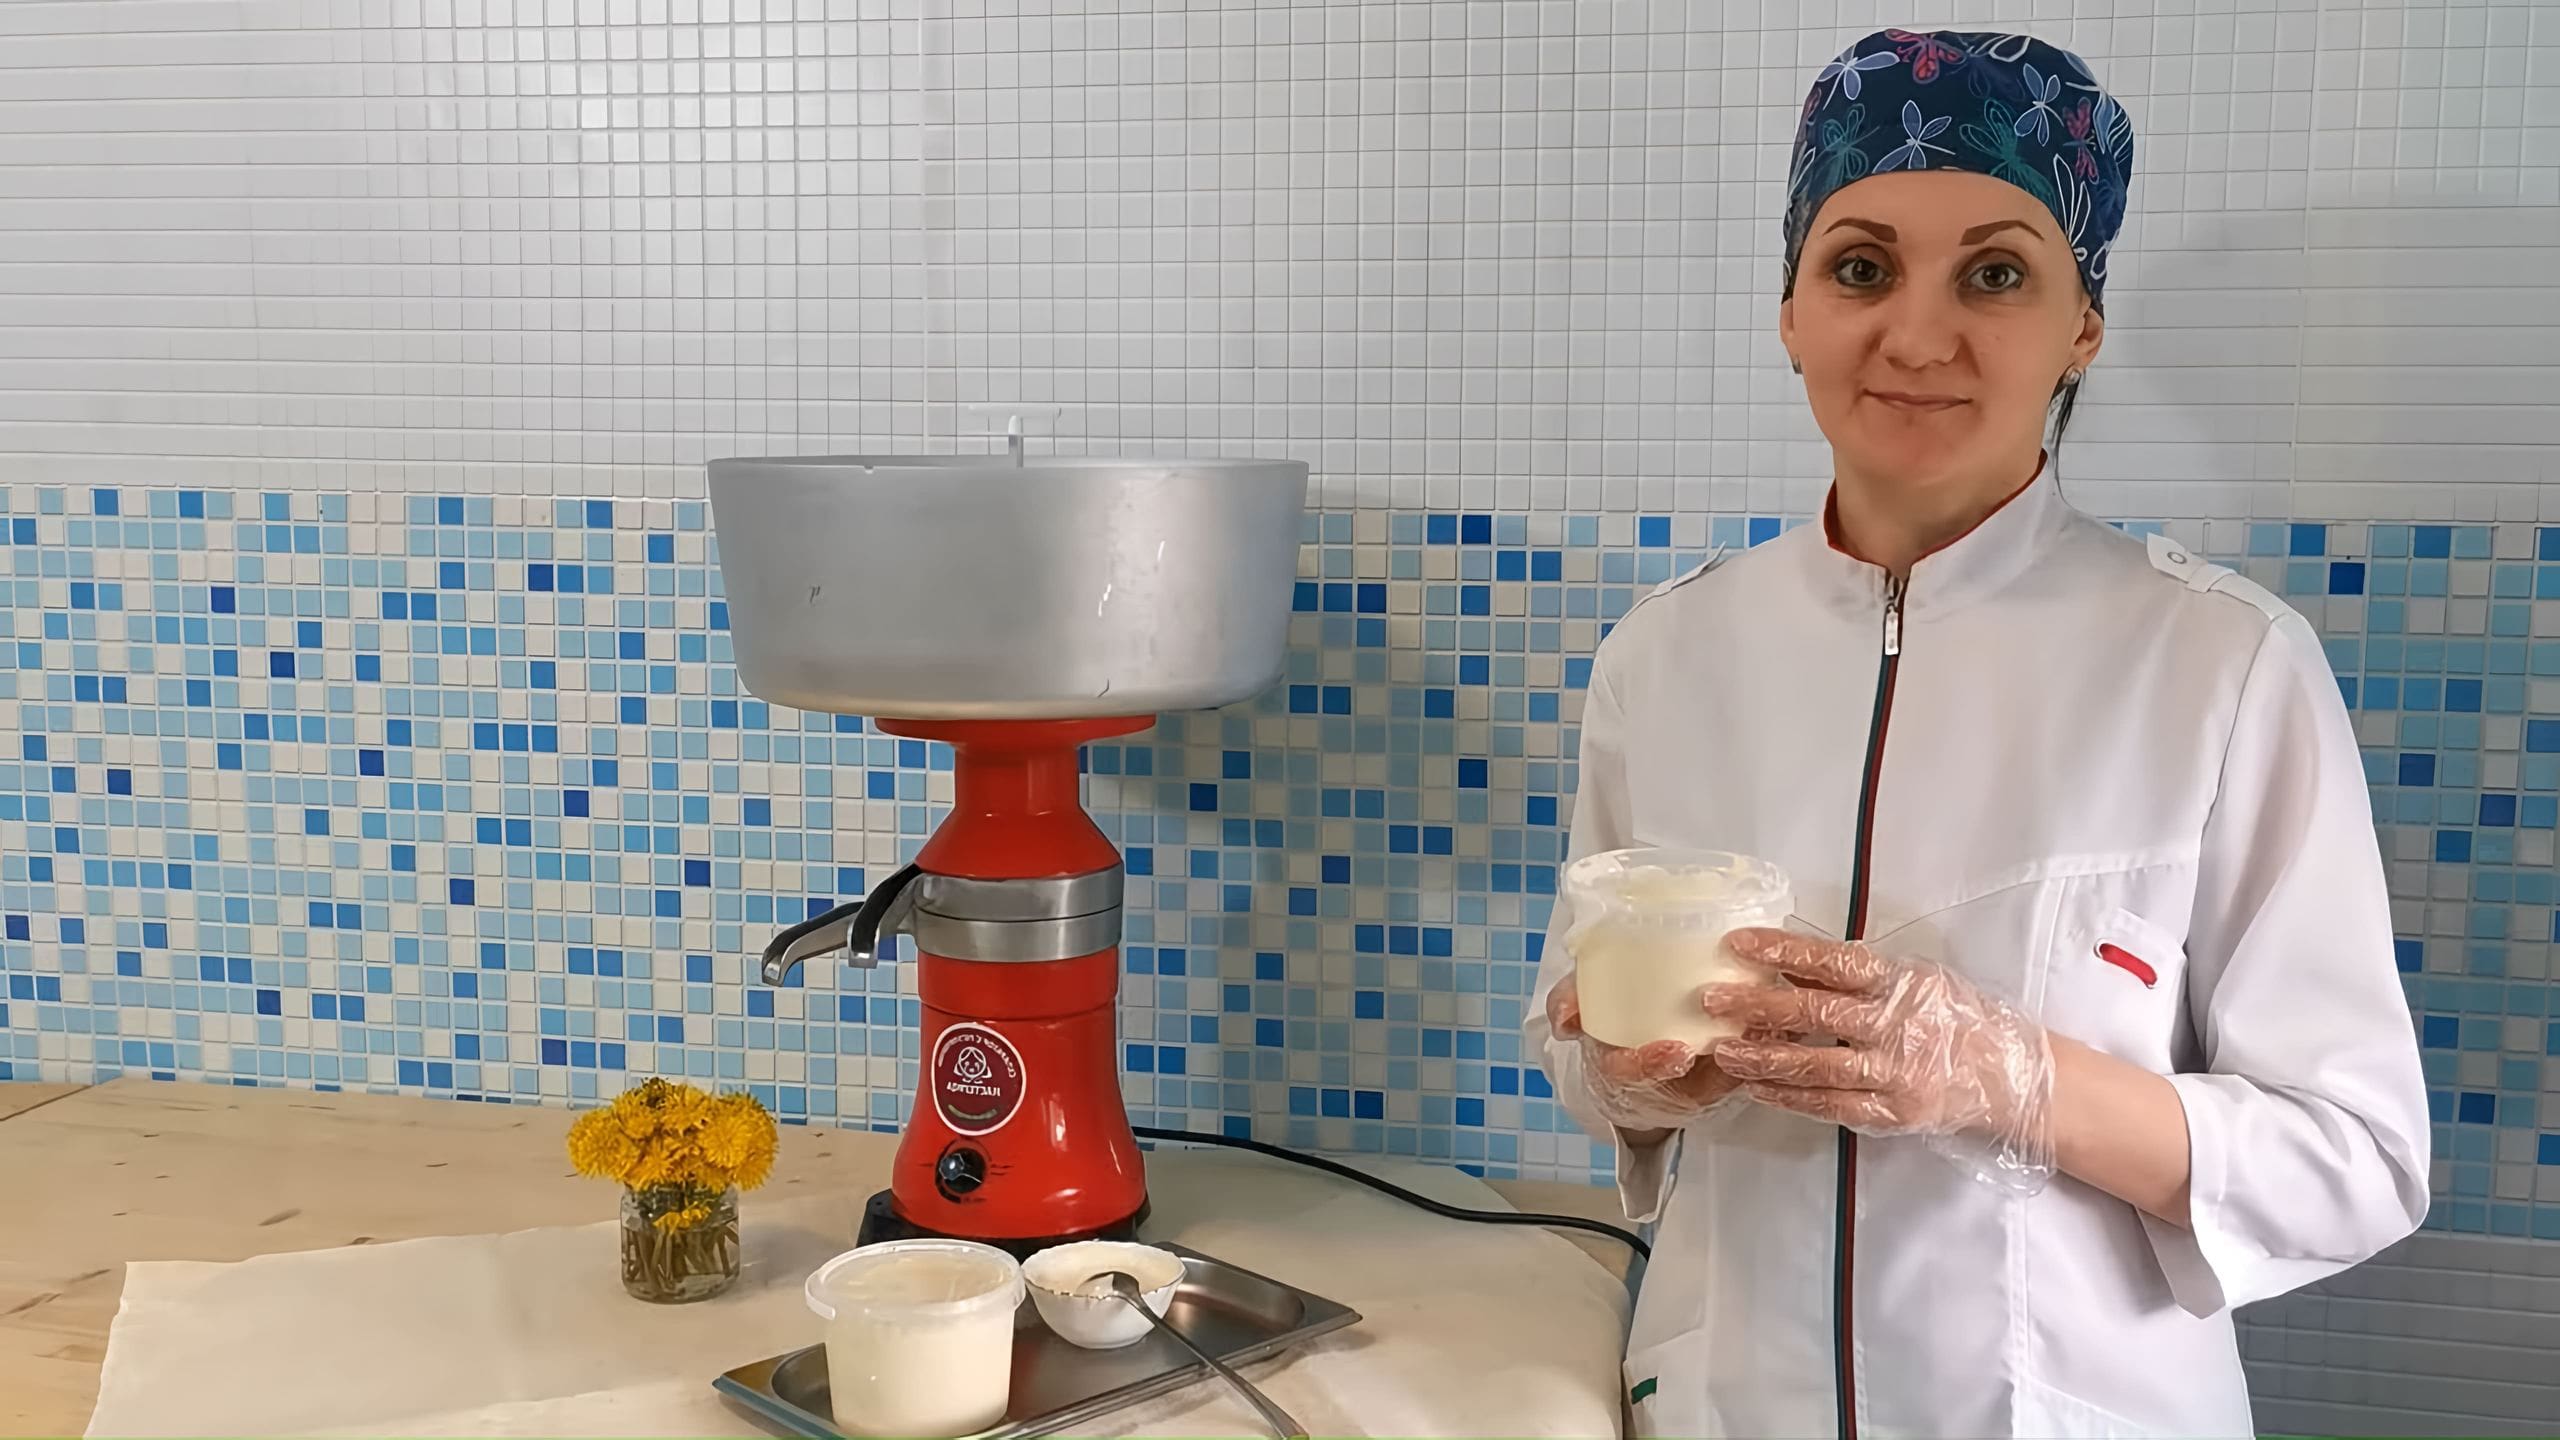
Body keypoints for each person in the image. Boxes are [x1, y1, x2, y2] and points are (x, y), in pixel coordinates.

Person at [1525, 28, 2430, 1439]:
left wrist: (2013, 1079)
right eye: (1860, 268)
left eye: (1996, 275)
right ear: (1790, 310)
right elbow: (1582, 1051)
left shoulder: (2223, 665)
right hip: (1724, 1403)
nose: (1917, 336)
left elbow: (2357, 1159)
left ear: (2084, 326)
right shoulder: (1666, 654)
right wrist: (1629, 1071)